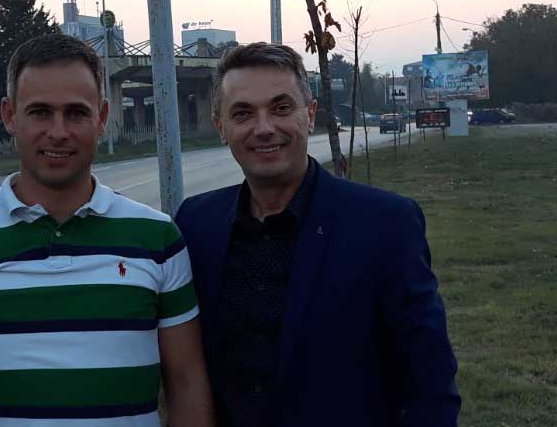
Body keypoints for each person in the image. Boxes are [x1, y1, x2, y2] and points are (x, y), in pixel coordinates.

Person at [0, 33, 215, 427]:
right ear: (10, 115)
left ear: (102, 117)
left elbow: (187, 385)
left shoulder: (158, 239)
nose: (58, 132)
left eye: (76, 113)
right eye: (40, 112)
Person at [175, 43, 460, 427]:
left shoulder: (385, 225)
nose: (264, 127)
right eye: (243, 113)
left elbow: (430, 380)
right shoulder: (196, 224)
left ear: (310, 116)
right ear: (221, 128)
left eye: (281, 108)